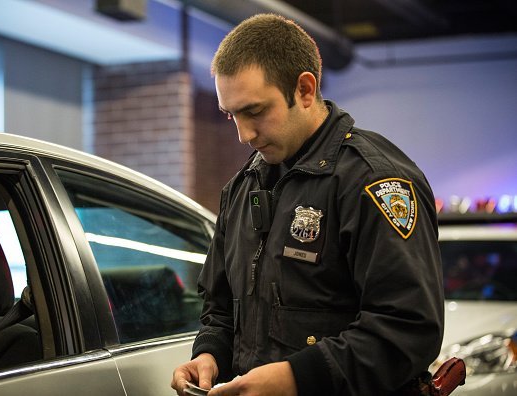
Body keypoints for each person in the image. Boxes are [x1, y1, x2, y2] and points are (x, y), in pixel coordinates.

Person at [171, 13, 444, 396]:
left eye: (255, 111)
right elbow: (219, 308)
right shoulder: (242, 187)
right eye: (230, 114)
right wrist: (210, 354)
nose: (243, 134)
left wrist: (297, 378)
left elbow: (408, 330)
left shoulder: (373, 181)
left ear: (304, 89)